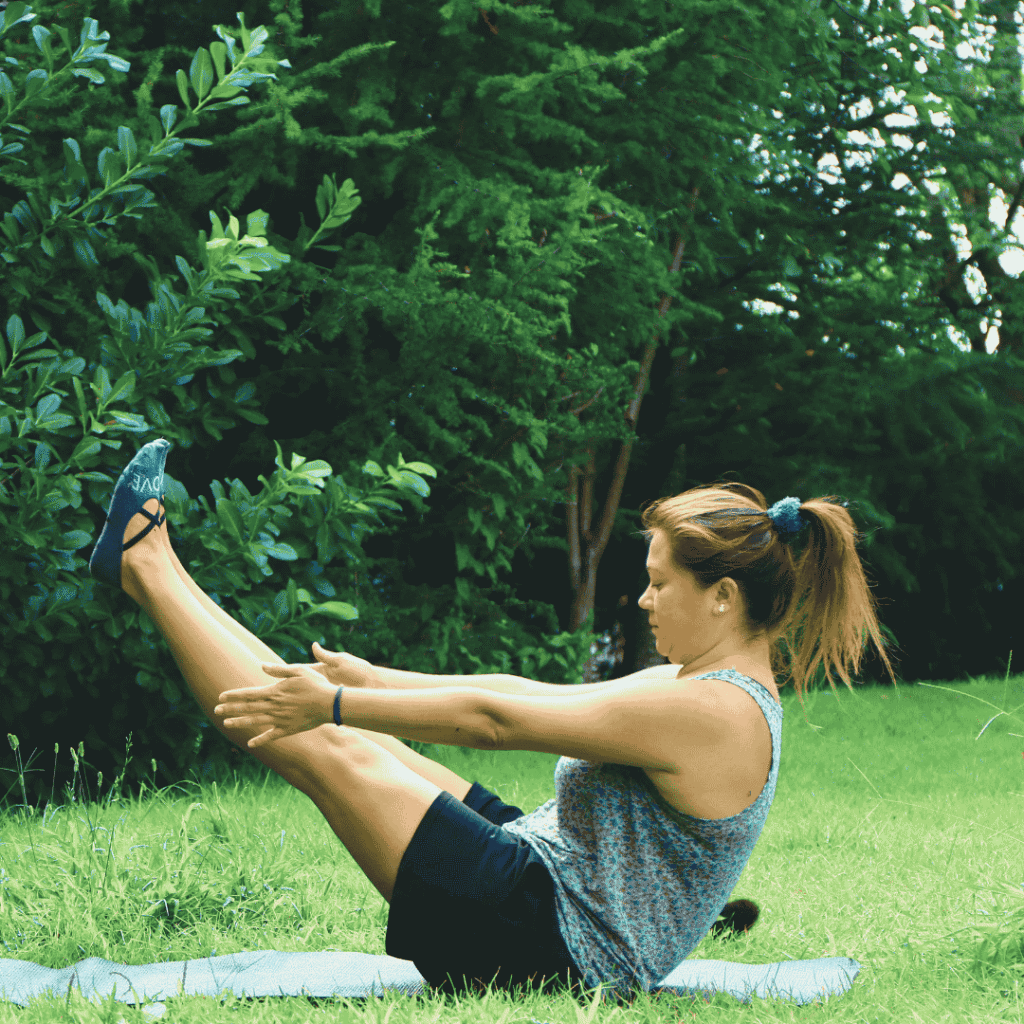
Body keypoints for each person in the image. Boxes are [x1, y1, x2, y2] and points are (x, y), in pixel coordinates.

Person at [89, 442, 899, 1004]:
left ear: (722, 596)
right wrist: (377, 682)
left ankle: (147, 566)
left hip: (544, 946)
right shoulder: (707, 684)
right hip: (538, 876)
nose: (645, 600)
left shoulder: (711, 711)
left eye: (660, 584)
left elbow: (497, 721)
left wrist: (336, 702)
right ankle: (152, 565)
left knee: (326, 743)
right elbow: (528, 692)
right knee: (355, 737)